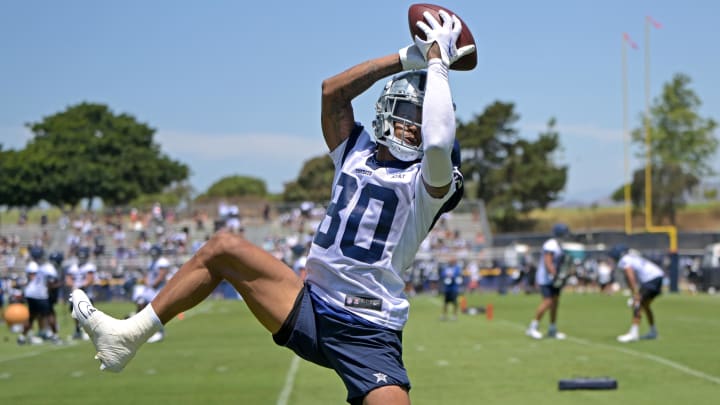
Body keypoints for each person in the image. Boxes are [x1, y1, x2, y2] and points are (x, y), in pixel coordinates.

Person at [70, 9, 472, 405]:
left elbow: (437, 143)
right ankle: (128, 335)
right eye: (405, 114)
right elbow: (332, 91)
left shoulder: (428, 184)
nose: (408, 125)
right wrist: (406, 57)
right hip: (310, 304)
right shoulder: (355, 149)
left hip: (368, 329)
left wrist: (438, 63)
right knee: (223, 247)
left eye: (419, 119)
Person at [610, 245, 664, 343]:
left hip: (651, 279)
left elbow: (630, 276)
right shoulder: (631, 257)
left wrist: (635, 294)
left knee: (637, 304)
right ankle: (653, 331)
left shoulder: (625, 260)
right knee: (645, 305)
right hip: (658, 276)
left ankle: (633, 334)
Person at [525, 223, 570, 340]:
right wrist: (554, 274)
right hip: (546, 278)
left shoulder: (559, 245)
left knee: (555, 303)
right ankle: (533, 327)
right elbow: (548, 262)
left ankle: (552, 329)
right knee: (547, 302)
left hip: (554, 278)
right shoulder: (551, 244)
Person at [19, 246, 58, 344]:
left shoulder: (32, 265)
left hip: (30, 293)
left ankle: (22, 337)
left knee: (32, 316)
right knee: (50, 314)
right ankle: (54, 336)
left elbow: (31, 279)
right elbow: (51, 282)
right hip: (40, 294)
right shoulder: (47, 267)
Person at [65, 247, 96, 339]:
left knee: (87, 314)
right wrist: (73, 285)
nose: (81, 258)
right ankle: (78, 330)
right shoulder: (73, 267)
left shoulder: (89, 267)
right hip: (75, 294)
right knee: (74, 313)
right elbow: (68, 279)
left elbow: (90, 280)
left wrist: (79, 286)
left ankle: (88, 331)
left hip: (86, 295)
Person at [440, 256, 463, 321]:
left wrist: (452, 276)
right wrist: (447, 275)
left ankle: (454, 315)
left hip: (454, 288)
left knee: (455, 302)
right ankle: (444, 315)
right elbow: (442, 274)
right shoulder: (446, 267)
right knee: (445, 302)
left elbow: (458, 274)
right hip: (447, 288)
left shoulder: (457, 268)